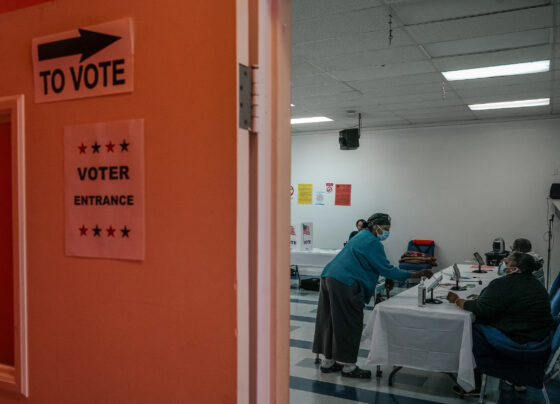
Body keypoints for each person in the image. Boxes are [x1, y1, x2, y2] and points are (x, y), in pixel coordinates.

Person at [313, 213, 433, 378]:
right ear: (376, 227)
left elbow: (372, 264)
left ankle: (328, 362)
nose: (387, 232)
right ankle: (348, 367)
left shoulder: (361, 235)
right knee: (350, 322)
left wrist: (388, 275)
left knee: (330, 321)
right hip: (345, 282)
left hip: (329, 276)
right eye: (385, 229)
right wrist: (417, 274)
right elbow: (387, 269)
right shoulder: (373, 242)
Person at [447, 252, 553, 396]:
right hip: (539, 339)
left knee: (472, 328)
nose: (502, 265)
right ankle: (513, 380)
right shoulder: (536, 284)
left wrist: (458, 301)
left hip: (519, 343)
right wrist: (486, 298)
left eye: (506, 262)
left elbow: (481, 309)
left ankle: (473, 385)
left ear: (514, 269)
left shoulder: (504, 283)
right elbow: (512, 302)